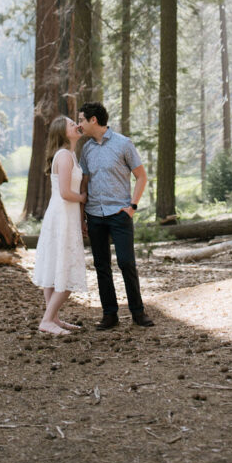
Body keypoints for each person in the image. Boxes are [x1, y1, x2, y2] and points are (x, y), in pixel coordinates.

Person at [78, 102, 154, 329]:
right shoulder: (87, 149)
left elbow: (141, 176)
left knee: (126, 262)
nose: (79, 124)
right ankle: (109, 315)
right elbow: (85, 183)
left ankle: (138, 312)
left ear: (93, 120)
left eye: (82, 119)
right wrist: (82, 216)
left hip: (119, 213)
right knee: (102, 266)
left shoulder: (123, 144)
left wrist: (132, 206)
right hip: (94, 215)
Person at [32, 116, 88, 336]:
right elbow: (65, 192)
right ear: (63, 132)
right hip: (62, 215)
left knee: (57, 266)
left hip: (65, 214)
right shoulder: (64, 156)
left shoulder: (70, 155)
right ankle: (47, 319)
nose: (76, 125)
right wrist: (83, 197)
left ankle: (52, 317)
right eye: (70, 124)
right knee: (65, 267)